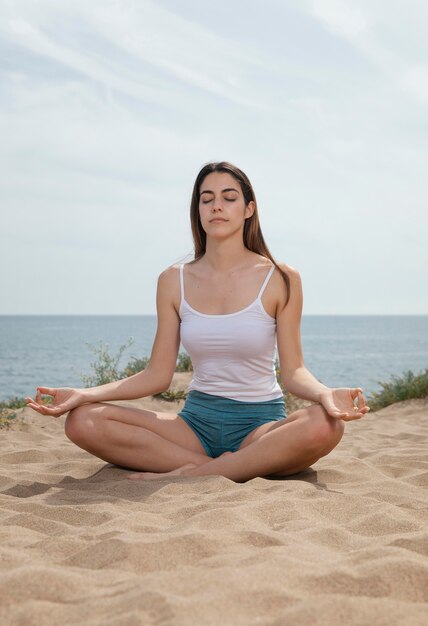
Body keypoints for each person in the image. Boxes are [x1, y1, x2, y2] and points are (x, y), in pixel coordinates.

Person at [26, 161, 369, 483]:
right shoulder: (172, 280)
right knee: (82, 421)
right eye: (207, 199)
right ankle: (228, 468)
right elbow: (157, 375)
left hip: (259, 426)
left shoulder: (281, 278)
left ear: (249, 209)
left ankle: (194, 474)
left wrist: (325, 393)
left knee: (326, 425)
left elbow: (294, 372)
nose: (216, 206)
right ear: (198, 211)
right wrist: (83, 394)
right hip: (193, 426)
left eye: (229, 197)